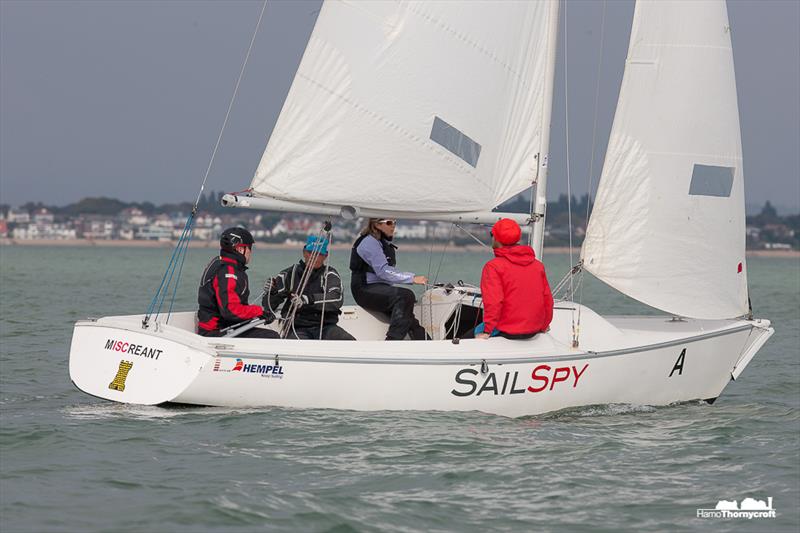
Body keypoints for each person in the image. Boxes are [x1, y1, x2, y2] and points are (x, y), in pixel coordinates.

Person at [472, 218, 553, 340]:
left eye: (492, 234)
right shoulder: (538, 266)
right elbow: (547, 299)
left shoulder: (493, 266)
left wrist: (487, 331)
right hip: (533, 330)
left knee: (465, 336)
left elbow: (494, 302)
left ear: (497, 239)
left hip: (507, 331)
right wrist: (544, 326)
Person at [350, 218, 429, 340]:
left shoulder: (380, 242)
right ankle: (392, 341)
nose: (393, 226)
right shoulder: (369, 243)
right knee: (405, 296)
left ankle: (427, 344)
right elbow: (384, 271)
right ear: (377, 224)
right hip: (364, 289)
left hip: (378, 289)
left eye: (395, 222)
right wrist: (412, 278)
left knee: (409, 319)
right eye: (389, 223)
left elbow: (388, 272)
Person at [264, 235, 355, 340]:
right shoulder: (290, 274)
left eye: (319, 254)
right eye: (310, 252)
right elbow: (268, 306)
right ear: (304, 252)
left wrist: (307, 300)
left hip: (326, 327)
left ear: (325, 256)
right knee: (296, 346)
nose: (314, 257)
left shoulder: (330, 274)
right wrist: (272, 292)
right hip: (297, 328)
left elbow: (336, 299)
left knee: (350, 342)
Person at [197, 227, 279, 338]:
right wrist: (258, 312)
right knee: (273, 337)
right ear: (241, 249)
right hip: (217, 332)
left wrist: (260, 314)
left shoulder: (219, 262)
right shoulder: (228, 271)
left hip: (223, 327)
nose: (250, 252)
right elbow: (230, 310)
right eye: (249, 248)